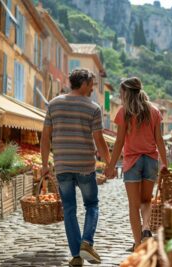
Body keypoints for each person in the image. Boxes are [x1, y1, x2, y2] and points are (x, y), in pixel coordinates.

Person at [41, 69, 112, 267]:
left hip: (62, 165)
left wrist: (45, 164)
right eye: (91, 84)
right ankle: (87, 242)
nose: (92, 89)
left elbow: (45, 137)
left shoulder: (54, 104)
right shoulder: (93, 107)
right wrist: (109, 163)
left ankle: (76, 256)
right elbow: (99, 140)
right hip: (84, 166)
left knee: (69, 209)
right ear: (82, 83)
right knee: (92, 205)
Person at [104, 77, 168, 252]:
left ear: (127, 92)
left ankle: (138, 244)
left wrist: (110, 166)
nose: (120, 94)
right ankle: (146, 228)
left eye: (121, 91)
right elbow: (159, 140)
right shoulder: (154, 111)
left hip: (132, 161)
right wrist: (165, 163)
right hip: (151, 161)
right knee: (146, 200)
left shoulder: (124, 112)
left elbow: (119, 142)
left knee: (134, 205)